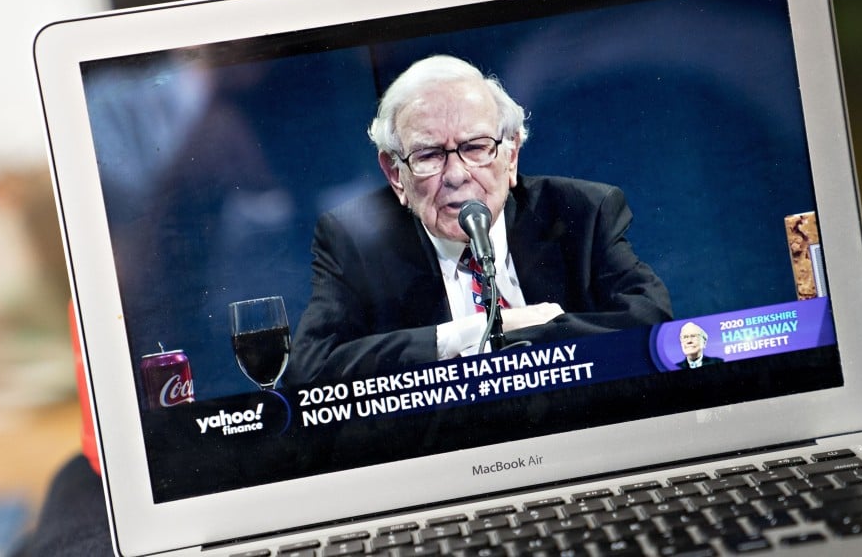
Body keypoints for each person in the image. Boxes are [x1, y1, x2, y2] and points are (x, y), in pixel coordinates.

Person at [287, 55, 671, 384]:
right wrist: (473, 332)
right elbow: (310, 370)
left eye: (475, 148)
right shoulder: (355, 241)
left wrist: (538, 340)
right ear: (395, 175)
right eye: (429, 155)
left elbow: (653, 326)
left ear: (511, 155)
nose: (456, 175)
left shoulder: (581, 212)